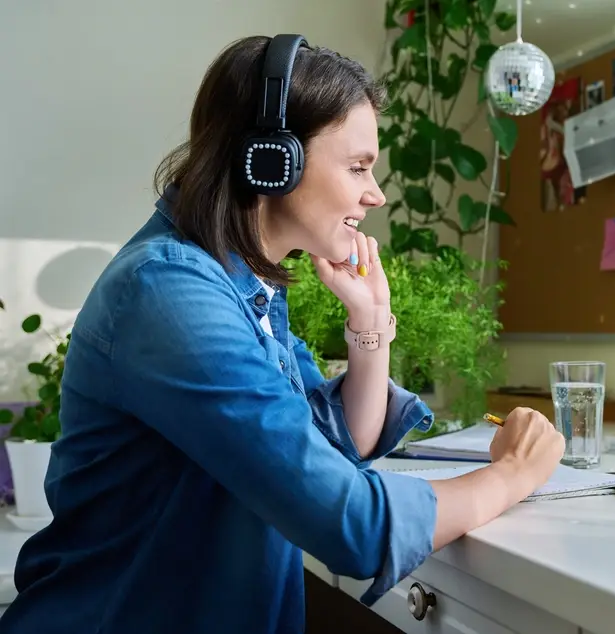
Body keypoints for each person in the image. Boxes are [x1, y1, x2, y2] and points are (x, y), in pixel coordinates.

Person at [0, 35, 565, 634]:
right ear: (272, 160)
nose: (374, 194)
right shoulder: (170, 293)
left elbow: (335, 444)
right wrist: (514, 474)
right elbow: (351, 525)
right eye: (358, 167)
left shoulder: (242, 284)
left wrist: (371, 326)